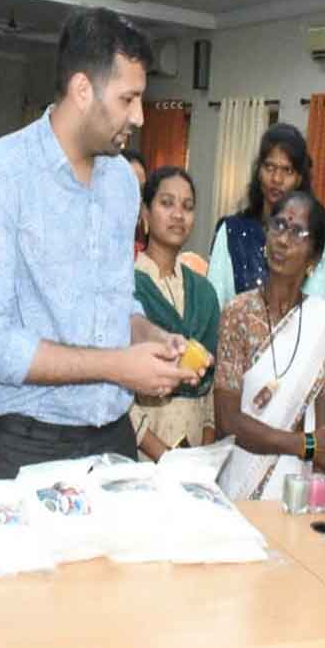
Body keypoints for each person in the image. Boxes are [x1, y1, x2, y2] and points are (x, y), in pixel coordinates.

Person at [0, 7, 202, 481]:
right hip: (23, 444)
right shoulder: (0, 176)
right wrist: (118, 367)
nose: (140, 116)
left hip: (112, 440)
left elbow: (115, 302)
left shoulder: (122, 184)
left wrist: (149, 337)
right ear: (83, 90)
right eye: (128, 98)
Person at [214, 191, 325, 500]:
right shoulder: (238, 313)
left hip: (294, 494)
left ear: (313, 257)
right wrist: (303, 444)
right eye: (278, 225)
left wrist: (314, 503)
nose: (282, 239)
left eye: (297, 232)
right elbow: (227, 421)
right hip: (237, 485)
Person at [131, 166, 220, 461]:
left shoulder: (204, 293)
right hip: (140, 450)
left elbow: (209, 388)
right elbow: (114, 392)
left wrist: (203, 456)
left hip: (195, 454)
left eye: (188, 206)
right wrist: (165, 456)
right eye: (167, 203)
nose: (178, 214)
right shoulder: (124, 287)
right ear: (145, 212)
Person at [206, 123, 325, 309]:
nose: (276, 179)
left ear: (299, 178)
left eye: (287, 170)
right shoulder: (231, 232)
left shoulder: (312, 238)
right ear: (259, 171)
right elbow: (213, 305)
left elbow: (316, 312)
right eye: (269, 167)